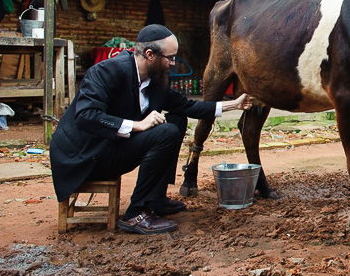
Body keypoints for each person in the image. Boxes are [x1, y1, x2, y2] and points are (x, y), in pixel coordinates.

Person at [50, 24, 253, 234]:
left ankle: (155, 199)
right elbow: (86, 116)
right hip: (85, 155)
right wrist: (137, 125)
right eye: (170, 58)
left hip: (112, 146)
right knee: (165, 133)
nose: (173, 63)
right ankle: (136, 213)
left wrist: (234, 105)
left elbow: (188, 106)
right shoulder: (106, 71)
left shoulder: (156, 80)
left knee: (177, 119)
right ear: (150, 54)